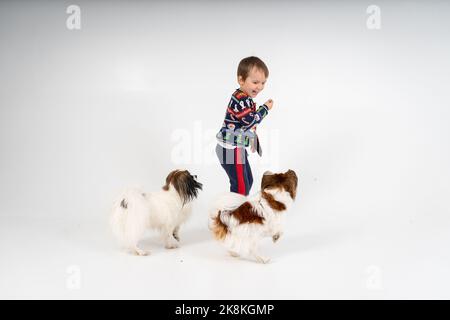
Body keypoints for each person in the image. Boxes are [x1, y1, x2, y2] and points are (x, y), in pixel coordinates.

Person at [215, 56, 274, 196]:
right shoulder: (240, 99)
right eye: (255, 82)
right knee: (241, 188)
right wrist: (265, 108)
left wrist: (253, 140)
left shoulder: (245, 99)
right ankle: (234, 213)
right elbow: (250, 122)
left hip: (236, 147)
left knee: (248, 181)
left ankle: (236, 209)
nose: (259, 87)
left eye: (263, 83)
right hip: (229, 149)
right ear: (241, 80)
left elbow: (246, 126)